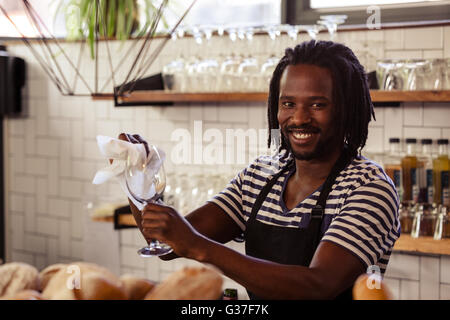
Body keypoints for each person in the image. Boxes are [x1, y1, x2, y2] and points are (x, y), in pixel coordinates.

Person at [119, 40, 401, 300]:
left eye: (317, 105)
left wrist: (197, 245)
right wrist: (136, 172)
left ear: (346, 109)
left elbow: (318, 285)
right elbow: (165, 243)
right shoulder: (259, 177)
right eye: (288, 103)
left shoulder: (369, 187)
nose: (299, 118)